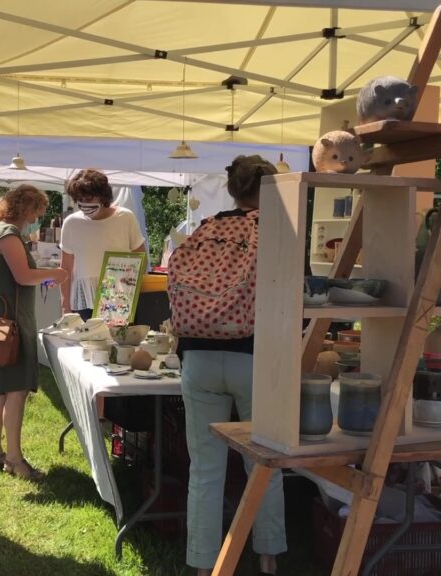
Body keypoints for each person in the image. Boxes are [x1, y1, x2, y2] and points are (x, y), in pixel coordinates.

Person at [175, 155, 286, 576]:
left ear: (234, 189)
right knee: (264, 462)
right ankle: (268, 556)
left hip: (198, 356)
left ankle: (204, 565)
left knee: (204, 466)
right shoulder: (275, 231)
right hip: (254, 356)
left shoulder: (206, 228)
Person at [0, 184, 67, 479]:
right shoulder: (7, 235)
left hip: (3, 321)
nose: (37, 218)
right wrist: (53, 274)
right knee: (15, 392)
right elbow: (23, 275)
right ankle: (14, 460)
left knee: (1, 390)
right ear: (25, 208)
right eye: (37, 211)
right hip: (13, 323)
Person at [59, 169, 145, 320]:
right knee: (84, 343)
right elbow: (65, 268)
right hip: (84, 300)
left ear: (103, 196)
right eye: (80, 199)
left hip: (120, 298)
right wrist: (65, 306)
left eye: (89, 198)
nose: (85, 203)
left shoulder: (125, 217)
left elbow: (141, 259)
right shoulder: (71, 223)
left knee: (120, 343)